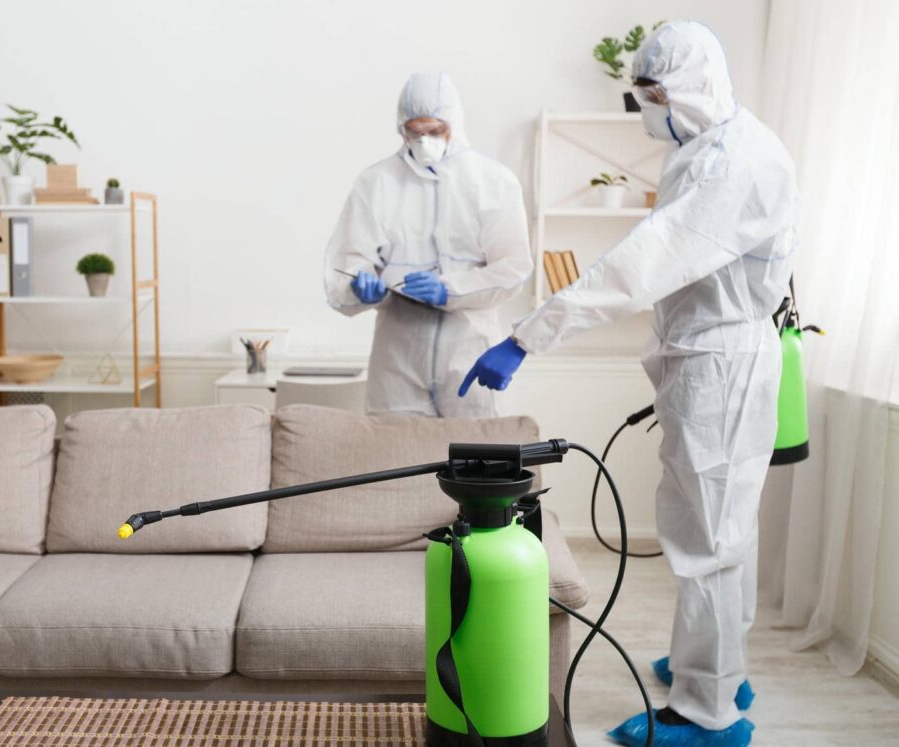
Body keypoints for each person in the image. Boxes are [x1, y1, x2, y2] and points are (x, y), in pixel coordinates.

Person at [460, 21, 798, 747]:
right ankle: (717, 668)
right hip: (708, 359)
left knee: (707, 539)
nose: (643, 106)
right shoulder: (704, 148)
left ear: (688, 89)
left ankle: (708, 713)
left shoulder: (734, 161)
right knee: (721, 529)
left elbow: (644, 261)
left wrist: (526, 336)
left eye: (651, 92)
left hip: (721, 362)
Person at [324, 72, 533, 417]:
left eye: (434, 131)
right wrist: (361, 286)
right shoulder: (376, 183)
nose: (424, 140)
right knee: (394, 462)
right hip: (398, 360)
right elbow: (347, 260)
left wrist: (449, 289)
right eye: (414, 131)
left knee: (477, 461)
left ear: (454, 124)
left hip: (468, 351)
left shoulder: (493, 182)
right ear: (400, 128)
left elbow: (513, 268)